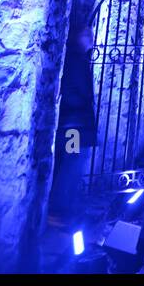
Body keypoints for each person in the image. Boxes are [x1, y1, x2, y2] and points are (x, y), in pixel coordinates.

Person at [48, 23, 97, 230]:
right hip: (74, 126)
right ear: (79, 38)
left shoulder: (79, 60)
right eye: (87, 35)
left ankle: (64, 208)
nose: (91, 39)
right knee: (70, 165)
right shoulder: (76, 61)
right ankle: (58, 210)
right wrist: (82, 107)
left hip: (75, 124)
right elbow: (74, 92)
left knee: (72, 164)